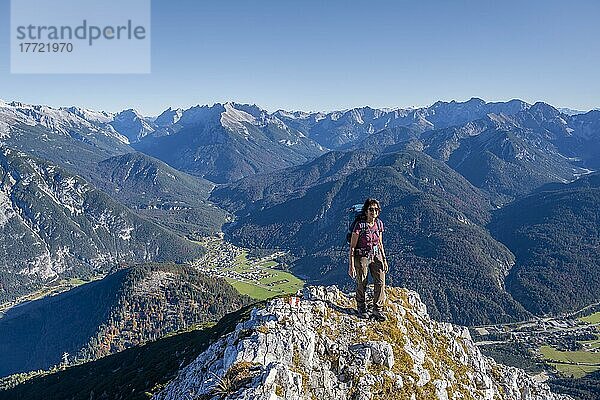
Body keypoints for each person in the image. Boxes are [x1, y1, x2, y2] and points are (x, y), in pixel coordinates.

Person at [348, 198, 389, 322]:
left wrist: (384, 260)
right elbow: (352, 247)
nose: (374, 212)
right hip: (362, 256)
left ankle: (378, 308)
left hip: (376, 255)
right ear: (366, 211)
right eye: (371, 209)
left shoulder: (379, 224)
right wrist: (351, 265)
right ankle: (361, 307)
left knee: (381, 282)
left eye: (376, 209)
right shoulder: (359, 226)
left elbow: (380, 243)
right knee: (362, 282)